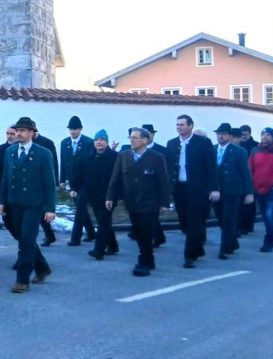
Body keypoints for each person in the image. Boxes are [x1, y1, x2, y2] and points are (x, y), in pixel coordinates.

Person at [0, 116, 56, 293]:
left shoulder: (43, 153)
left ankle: (22, 280)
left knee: (26, 241)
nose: (18, 133)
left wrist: (50, 208)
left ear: (32, 133)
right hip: (14, 203)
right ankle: (42, 267)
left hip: (33, 204)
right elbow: (6, 178)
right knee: (21, 237)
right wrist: (2, 201)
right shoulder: (10, 151)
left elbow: (49, 183)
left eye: (23, 130)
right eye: (17, 130)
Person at [106, 127, 171, 277]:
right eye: (131, 138)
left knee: (146, 232)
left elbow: (163, 181)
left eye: (135, 138)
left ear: (145, 140)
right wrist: (110, 197)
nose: (132, 140)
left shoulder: (156, 157)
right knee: (138, 232)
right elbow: (115, 178)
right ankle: (149, 258)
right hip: (131, 201)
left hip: (150, 202)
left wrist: (164, 203)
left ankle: (143, 261)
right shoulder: (124, 156)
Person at [166, 114, 219, 268]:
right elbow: (169, 167)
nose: (179, 128)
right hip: (179, 188)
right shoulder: (172, 144)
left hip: (197, 188)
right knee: (184, 221)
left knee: (194, 221)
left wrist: (213, 188)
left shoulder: (203, 143)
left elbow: (211, 167)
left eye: (182, 125)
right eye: (177, 125)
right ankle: (198, 246)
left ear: (190, 126)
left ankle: (189, 256)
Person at [72, 129, 119, 260]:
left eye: (102, 140)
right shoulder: (88, 156)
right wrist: (74, 187)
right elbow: (79, 173)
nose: (99, 142)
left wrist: (117, 194)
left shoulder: (114, 157)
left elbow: (119, 177)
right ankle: (113, 245)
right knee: (103, 221)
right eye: (97, 139)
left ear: (107, 142)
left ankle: (99, 249)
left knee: (103, 222)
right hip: (93, 195)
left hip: (109, 195)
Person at [211, 123, 254, 259]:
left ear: (229, 136)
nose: (220, 136)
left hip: (232, 191)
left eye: (223, 134)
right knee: (221, 219)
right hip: (216, 190)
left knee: (229, 219)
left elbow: (245, 173)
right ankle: (233, 242)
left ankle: (223, 249)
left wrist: (249, 192)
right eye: (218, 134)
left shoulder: (238, 151)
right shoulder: (211, 150)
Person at [60, 115, 96, 246]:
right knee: (81, 209)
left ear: (80, 129)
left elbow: (93, 162)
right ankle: (92, 233)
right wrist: (62, 179)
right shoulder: (65, 143)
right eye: (71, 129)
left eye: (75, 129)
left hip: (85, 182)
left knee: (80, 209)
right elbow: (63, 162)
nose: (73, 132)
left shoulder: (88, 142)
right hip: (72, 182)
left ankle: (75, 238)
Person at [32, 126, 59, 246]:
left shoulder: (47, 143)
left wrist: (56, 182)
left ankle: (48, 236)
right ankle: (50, 236)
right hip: (32, 182)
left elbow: (54, 163)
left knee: (41, 210)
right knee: (39, 210)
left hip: (44, 181)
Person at [0, 126, 18, 241]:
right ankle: (27, 246)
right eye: (7, 133)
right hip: (5, 190)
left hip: (19, 191)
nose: (9, 136)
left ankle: (28, 250)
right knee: (7, 221)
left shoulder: (21, 149)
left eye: (12, 133)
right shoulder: (2, 149)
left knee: (19, 222)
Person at [236, 126, 258, 235]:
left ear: (250, 134)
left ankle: (249, 226)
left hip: (252, 176)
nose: (244, 137)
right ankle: (240, 226)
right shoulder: (238, 145)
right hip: (240, 177)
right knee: (241, 203)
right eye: (242, 135)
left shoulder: (255, 146)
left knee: (250, 203)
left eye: (246, 135)